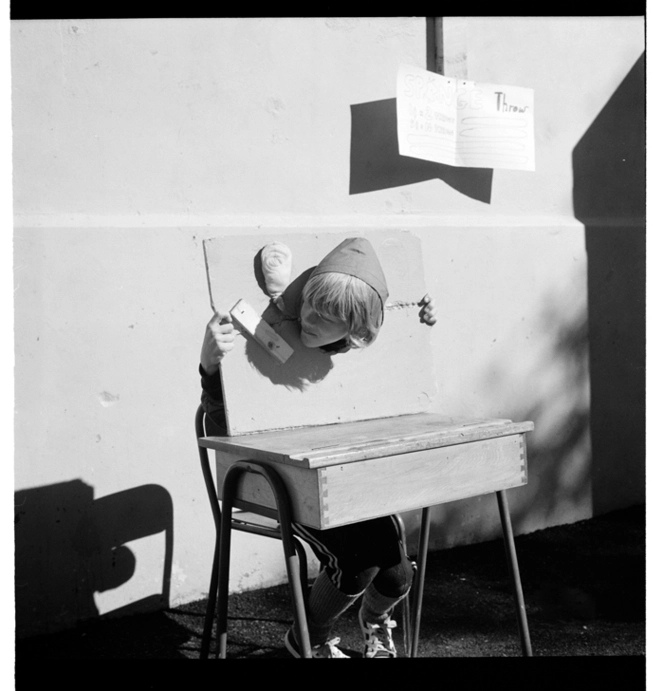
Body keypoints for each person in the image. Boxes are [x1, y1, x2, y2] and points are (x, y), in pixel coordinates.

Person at [199, 237, 438, 658]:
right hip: (276, 475)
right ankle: (309, 638)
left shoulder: (359, 354)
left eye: (328, 317)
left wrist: (416, 319)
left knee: (398, 575)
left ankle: (375, 620)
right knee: (357, 562)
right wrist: (210, 366)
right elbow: (223, 425)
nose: (309, 318)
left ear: (357, 329)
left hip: (345, 472)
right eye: (309, 304)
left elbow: (391, 356)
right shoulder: (271, 345)